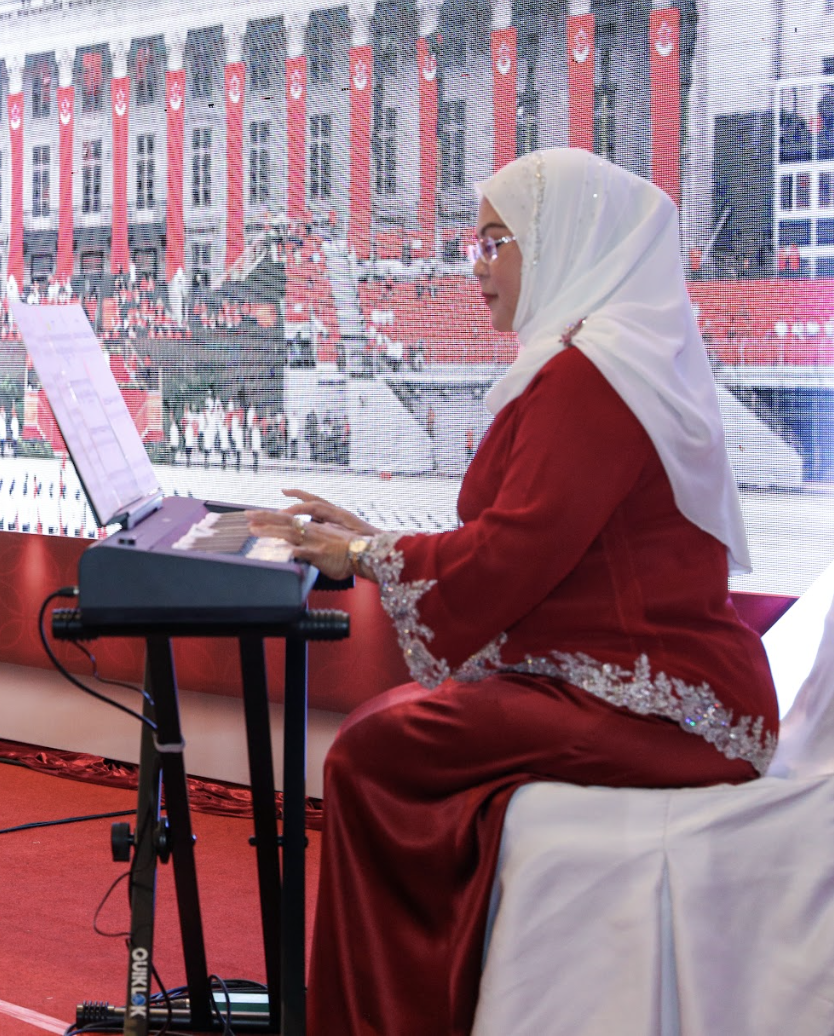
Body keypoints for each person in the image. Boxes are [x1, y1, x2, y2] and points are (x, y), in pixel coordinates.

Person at [248, 149, 778, 1036]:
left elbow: (513, 553)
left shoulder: (590, 379)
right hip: (646, 681)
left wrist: (366, 553)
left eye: (499, 242)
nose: (479, 266)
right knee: (390, 733)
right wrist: (366, 535)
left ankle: (386, 1018)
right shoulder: (604, 363)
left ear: (563, 241)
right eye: (476, 243)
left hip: (651, 704)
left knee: (372, 750)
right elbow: (531, 541)